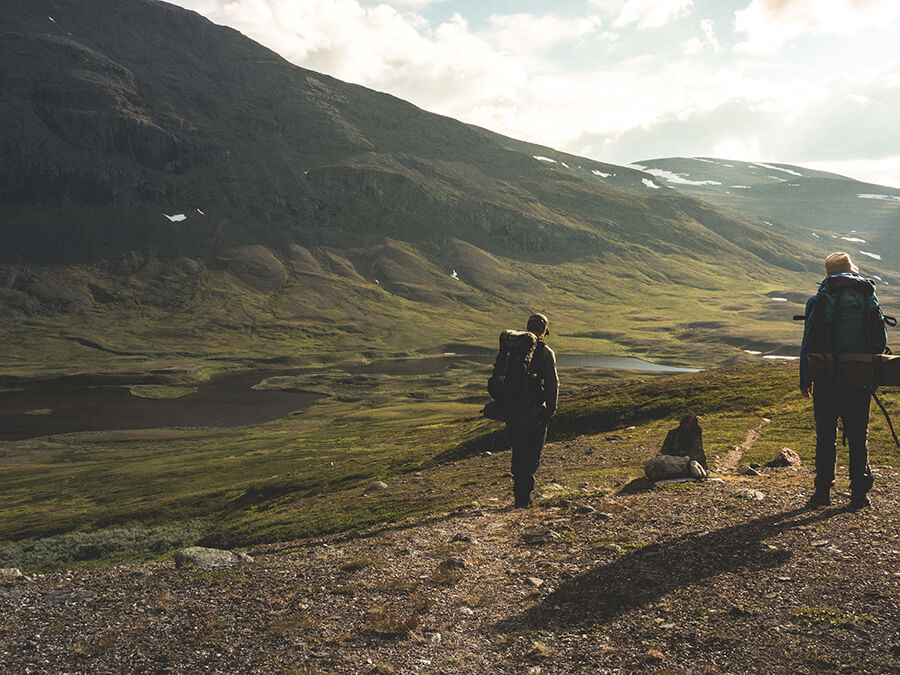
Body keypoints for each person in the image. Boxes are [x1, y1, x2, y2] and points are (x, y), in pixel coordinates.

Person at [800, 252, 885, 509]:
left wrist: (806, 377)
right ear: (852, 269)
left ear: (828, 273)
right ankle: (859, 494)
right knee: (859, 435)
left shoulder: (818, 301)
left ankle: (822, 493)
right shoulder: (868, 298)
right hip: (859, 377)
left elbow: (808, 343)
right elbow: (879, 341)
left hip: (827, 377)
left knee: (826, 435)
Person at [509, 312, 559, 508]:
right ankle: (523, 500)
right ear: (544, 330)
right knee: (532, 456)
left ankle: (519, 496)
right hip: (535, 413)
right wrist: (551, 409)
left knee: (518, 451)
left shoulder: (513, 351)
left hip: (513, 412)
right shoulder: (545, 352)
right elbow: (553, 385)